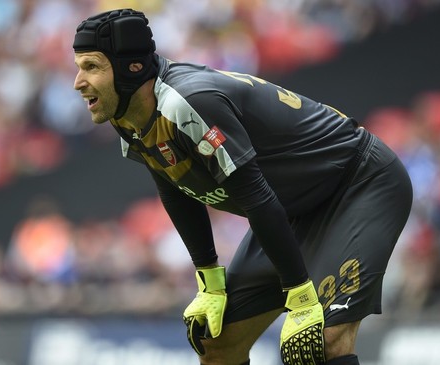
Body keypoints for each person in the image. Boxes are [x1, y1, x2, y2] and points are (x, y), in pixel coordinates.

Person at [72, 9, 413, 365]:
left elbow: (255, 196)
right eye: (79, 66)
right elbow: (174, 187)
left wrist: (300, 292)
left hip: (358, 183)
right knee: (217, 347)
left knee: (318, 342)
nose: (78, 81)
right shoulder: (127, 111)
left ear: (133, 69)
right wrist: (209, 279)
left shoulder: (188, 102)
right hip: (292, 209)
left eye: (92, 67)